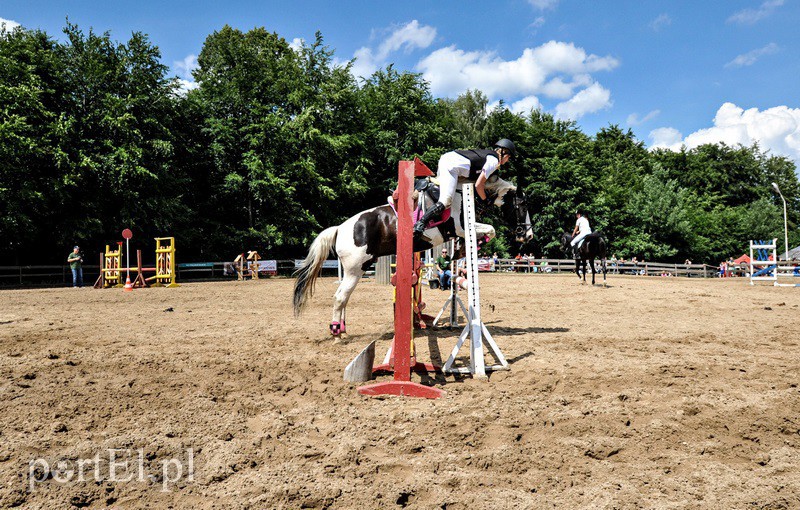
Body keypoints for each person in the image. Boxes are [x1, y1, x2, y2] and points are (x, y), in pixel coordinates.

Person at [413, 139, 516, 238]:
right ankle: (421, 224)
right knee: (446, 201)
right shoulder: (493, 161)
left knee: (456, 198)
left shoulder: (490, 157)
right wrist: (485, 200)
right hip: (451, 166)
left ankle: (452, 226)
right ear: (505, 154)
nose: (507, 161)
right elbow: (479, 185)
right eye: (509, 158)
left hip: (454, 168)